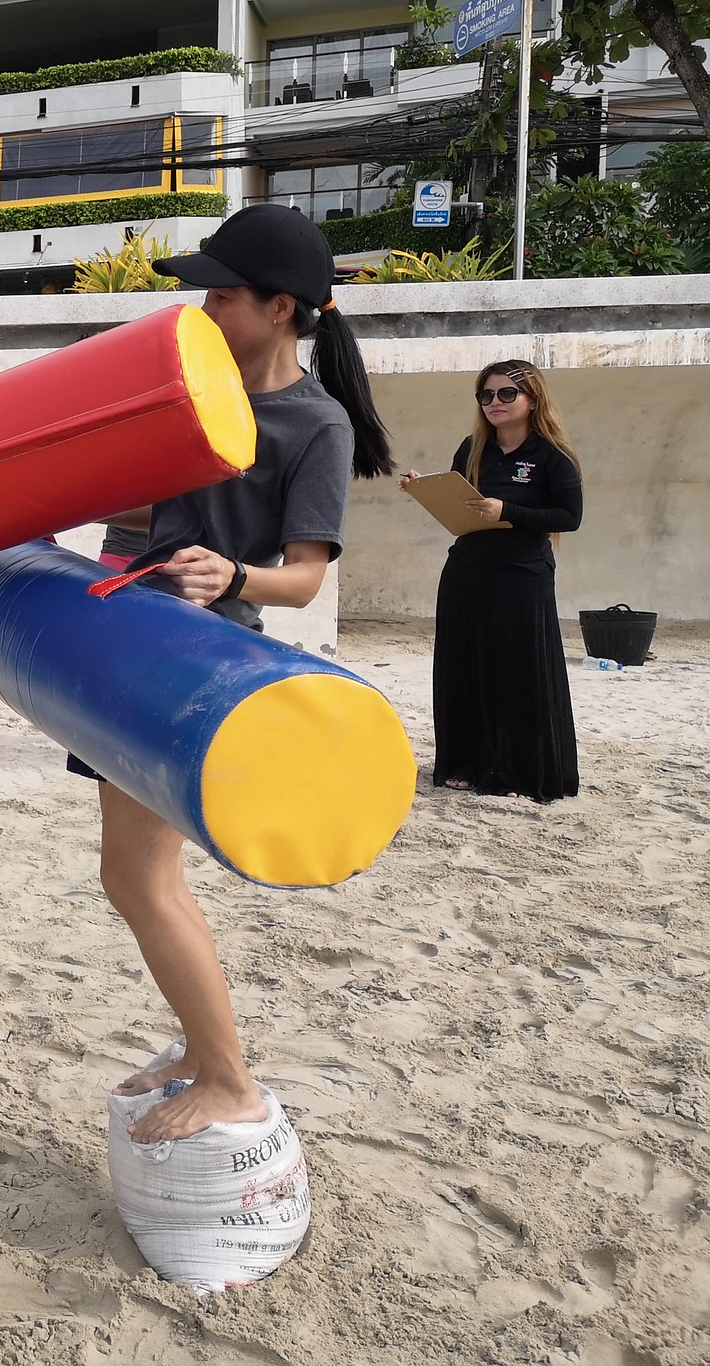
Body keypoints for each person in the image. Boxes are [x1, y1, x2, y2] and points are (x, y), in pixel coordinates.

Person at [84, 203, 394, 1141]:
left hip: (199, 658)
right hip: (132, 631)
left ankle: (228, 1078)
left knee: (141, 880)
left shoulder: (317, 425)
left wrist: (231, 574)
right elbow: (136, 507)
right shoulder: (187, 385)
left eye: (222, 296)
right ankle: (201, 1051)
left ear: (281, 308)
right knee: (132, 876)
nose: (203, 310)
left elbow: (303, 579)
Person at [405, 360, 581, 801]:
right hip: (467, 569)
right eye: (486, 395)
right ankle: (466, 764)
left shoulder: (552, 455)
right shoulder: (472, 448)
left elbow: (569, 517)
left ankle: (519, 771)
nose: (494, 403)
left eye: (506, 394)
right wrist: (426, 489)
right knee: (463, 667)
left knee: (518, 672)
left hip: (522, 574)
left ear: (533, 399)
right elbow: (460, 501)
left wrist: (508, 511)